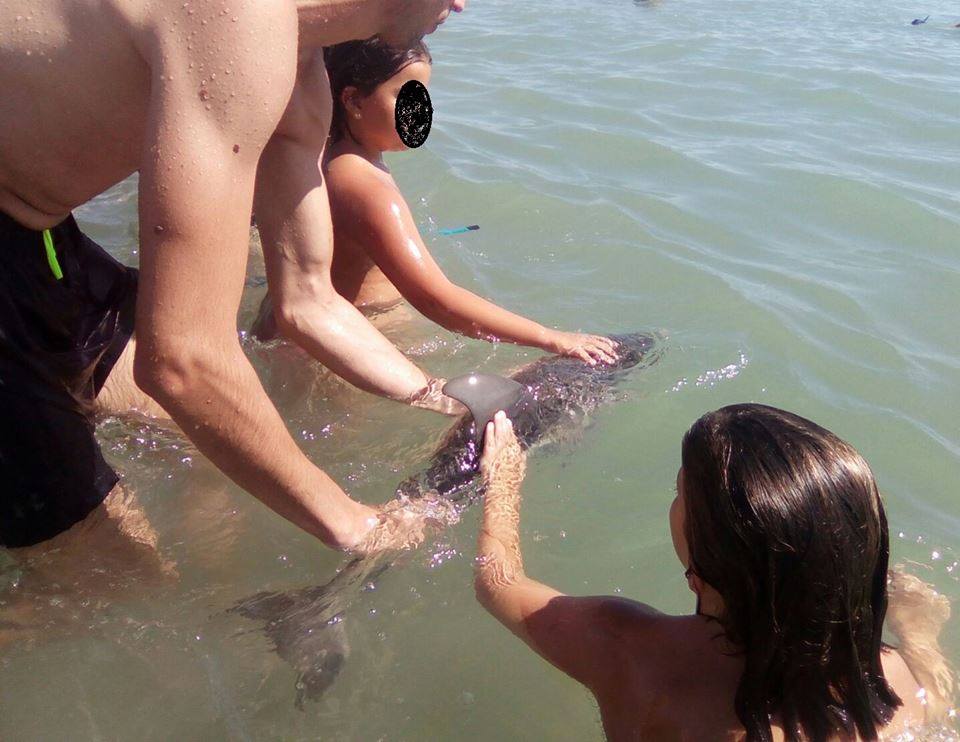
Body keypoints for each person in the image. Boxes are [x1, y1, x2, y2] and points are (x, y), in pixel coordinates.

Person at [0, 0, 467, 558]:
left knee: (194, 441)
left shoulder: (298, 64)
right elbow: (184, 361)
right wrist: (352, 524)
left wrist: (442, 400)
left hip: (41, 235)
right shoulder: (237, 20)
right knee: (115, 581)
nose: (460, 3)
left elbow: (308, 300)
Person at [475, 405, 953, 740]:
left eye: (679, 491)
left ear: (706, 573)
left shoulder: (627, 650)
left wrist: (503, 482)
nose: (675, 498)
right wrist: (919, 636)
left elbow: (497, 583)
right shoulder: (907, 684)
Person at [253, 38, 619, 367]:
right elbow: (437, 300)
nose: (419, 110)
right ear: (352, 100)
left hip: (297, 331)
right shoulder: (364, 187)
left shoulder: (324, 157)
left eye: (423, 95)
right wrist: (552, 338)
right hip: (325, 349)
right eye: (405, 95)